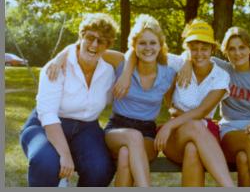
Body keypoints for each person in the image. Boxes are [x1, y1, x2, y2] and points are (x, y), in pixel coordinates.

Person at [45, 14, 176, 187]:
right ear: (134, 46)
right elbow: (87, 47)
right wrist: (60, 57)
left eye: (153, 42)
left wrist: (171, 125)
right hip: (117, 128)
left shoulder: (169, 73)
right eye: (142, 43)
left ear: (160, 45)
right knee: (132, 137)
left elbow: (172, 106)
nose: (148, 48)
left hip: (147, 133)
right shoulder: (120, 62)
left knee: (125, 154)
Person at [121, 19, 235, 187]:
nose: (199, 54)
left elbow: (202, 112)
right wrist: (125, 76)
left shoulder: (221, 76)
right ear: (187, 49)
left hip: (203, 133)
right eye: (193, 49)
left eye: (204, 49)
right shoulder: (177, 63)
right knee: (195, 126)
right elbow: (133, 52)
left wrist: (170, 124)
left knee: (192, 148)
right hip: (175, 138)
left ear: (213, 49)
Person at [19, 13, 118, 187]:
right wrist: (65, 155)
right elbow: (48, 115)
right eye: (90, 37)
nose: (94, 44)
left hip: (86, 129)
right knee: (46, 162)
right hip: (44, 125)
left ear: (107, 46)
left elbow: (131, 56)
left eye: (101, 41)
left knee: (101, 169)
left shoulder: (108, 72)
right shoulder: (56, 67)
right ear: (81, 36)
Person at [177, 26, 250, 186]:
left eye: (242, 48)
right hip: (230, 130)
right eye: (232, 49)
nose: (237, 53)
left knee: (243, 158)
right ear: (226, 52)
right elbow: (193, 54)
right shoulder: (223, 69)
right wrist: (188, 63)